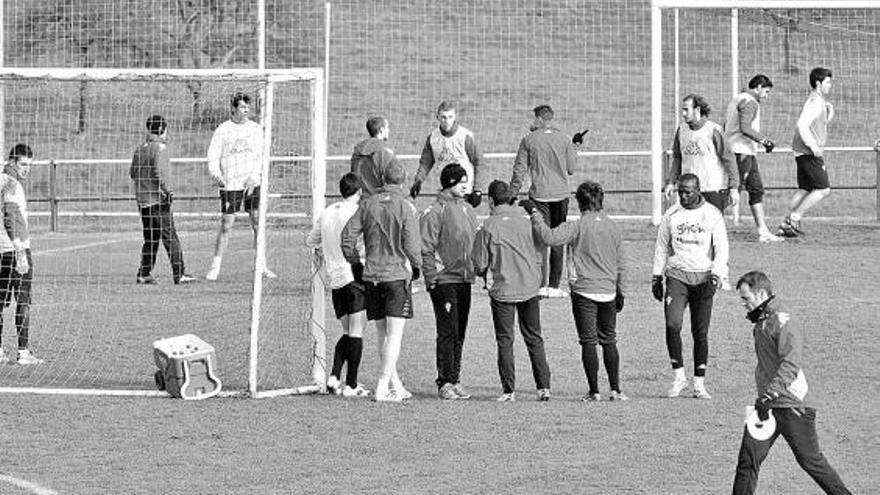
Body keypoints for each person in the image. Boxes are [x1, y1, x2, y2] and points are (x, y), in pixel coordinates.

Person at [732, 271, 852, 495]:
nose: (743, 304)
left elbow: (791, 363)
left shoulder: (783, 320)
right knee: (748, 461)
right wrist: (766, 397)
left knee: (811, 461)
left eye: (745, 298)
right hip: (767, 404)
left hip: (791, 404)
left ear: (760, 294)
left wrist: (771, 394)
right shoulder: (764, 319)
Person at [526, 181, 628, 402]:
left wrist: (534, 213)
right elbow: (621, 264)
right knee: (609, 339)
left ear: (579, 203)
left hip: (584, 291)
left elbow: (549, 237)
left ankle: (594, 391)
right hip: (608, 291)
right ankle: (616, 389)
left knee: (588, 341)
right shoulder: (613, 227)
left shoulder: (577, 226)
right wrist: (621, 291)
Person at [341, 163, 421, 402]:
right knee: (395, 335)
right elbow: (411, 244)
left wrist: (355, 262)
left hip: (372, 275)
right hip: (395, 276)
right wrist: (416, 267)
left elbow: (347, 238)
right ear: (403, 180)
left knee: (382, 333)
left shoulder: (367, 204)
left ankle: (394, 383)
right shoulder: (404, 206)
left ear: (381, 179)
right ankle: (382, 386)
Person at [471, 180, 551, 402]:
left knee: (505, 340)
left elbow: (478, 263)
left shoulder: (488, 226)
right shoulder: (526, 221)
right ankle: (543, 387)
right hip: (529, 287)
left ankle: (509, 391)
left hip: (503, 290)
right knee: (534, 337)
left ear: (490, 200)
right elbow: (541, 248)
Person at [652, 173, 729, 399]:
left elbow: (722, 247)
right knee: (672, 324)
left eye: (687, 191)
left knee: (700, 331)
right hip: (677, 276)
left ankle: (699, 382)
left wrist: (716, 275)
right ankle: (679, 377)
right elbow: (661, 245)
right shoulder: (672, 215)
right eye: (680, 192)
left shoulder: (712, 214)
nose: (683, 196)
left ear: (698, 190)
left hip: (704, 278)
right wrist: (656, 276)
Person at [306, 172, 370, 398]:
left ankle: (334, 377)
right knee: (356, 332)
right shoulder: (357, 212)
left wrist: (325, 251)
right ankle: (351, 385)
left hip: (334, 280)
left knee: (348, 331)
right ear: (360, 191)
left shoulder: (327, 212)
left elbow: (311, 241)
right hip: (353, 276)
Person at [420, 164, 479, 400]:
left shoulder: (467, 209)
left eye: (467, 181)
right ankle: (444, 382)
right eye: (461, 181)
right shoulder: (435, 211)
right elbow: (425, 247)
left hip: (464, 279)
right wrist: (431, 278)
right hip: (443, 280)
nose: (466, 185)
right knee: (448, 331)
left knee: (460, 332)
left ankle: (455, 379)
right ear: (450, 183)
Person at [205, 91, 275, 281]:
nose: (246, 110)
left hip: (253, 183)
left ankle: (262, 266)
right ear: (234, 108)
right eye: (243, 107)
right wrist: (216, 174)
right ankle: (215, 267)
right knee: (227, 225)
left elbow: (261, 156)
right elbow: (213, 155)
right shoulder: (223, 129)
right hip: (231, 184)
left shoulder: (255, 129)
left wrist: (254, 177)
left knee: (257, 223)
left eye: (247, 107)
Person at [510, 105, 577, 299]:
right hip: (561, 195)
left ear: (539, 119)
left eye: (533, 119)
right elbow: (572, 169)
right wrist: (575, 147)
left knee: (540, 240)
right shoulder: (564, 139)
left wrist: (513, 193)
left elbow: (519, 170)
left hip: (540, 196)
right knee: (558, 239)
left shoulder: (528, 140)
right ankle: (554, 286)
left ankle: (539, 285)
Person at [130, 115, 195, 285]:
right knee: (170, 236)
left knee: (151, 238)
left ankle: (144, 273)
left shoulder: (139, 150)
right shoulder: (161, 149)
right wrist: (168, 191)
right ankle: (179, 273)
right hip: (158, 201)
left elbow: (132, 173)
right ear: (163, 131)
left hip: (143, 202)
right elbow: (160, 173)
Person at [724, 74, 783, 243]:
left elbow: (727, 124)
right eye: (766, 91)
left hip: (747, 152)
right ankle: (705, 224)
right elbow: (744, 127)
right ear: (757, 87)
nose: (766, 96)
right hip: (740, 151)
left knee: (756, 189)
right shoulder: (750, 102)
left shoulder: (737, 99)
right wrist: (765, 141)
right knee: (733, 191)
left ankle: (763, 231)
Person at [778, 67, 835, 238]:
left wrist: (829, 113)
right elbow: (802, 125)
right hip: (808, 152)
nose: (830, 85)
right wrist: (813, 147)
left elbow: (814, 124)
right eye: (827, 82)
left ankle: (785, 223)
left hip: (801, 151)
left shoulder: (817, 101)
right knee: (823, 189)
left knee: (805, 189)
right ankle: (794, 218)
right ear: (818, 83)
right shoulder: (816, 101)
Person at [0, 144, 42, 365]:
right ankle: (23, 352)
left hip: (0, 251)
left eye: (29, 166)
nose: (27, 169)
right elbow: (9, 215)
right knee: (23, 301)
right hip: (16, 250)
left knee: (0, 302)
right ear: (13, 162)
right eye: (23, 165)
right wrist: (19, 248)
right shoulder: (12, 184)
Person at [666, 94, 739, 213]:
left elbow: (729, 159)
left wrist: (733, 188)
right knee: (689, 228)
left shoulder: (714, 130)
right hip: (688, 190)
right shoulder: (681, 130)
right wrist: (671, 182)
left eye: (686, 110)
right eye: (682, 110)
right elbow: (677, 158)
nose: (683, 114)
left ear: (697, 110)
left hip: (712, 189)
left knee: (711, 229)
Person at [410, 101, 485, 208]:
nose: (447, 121)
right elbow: (425, 164)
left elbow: (480, 163)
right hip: (444, 192)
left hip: (463, 192)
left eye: (450, 117)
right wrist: (418, 181)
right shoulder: (433, 138)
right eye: (444, 117)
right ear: (438, 117)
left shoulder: (465, 137)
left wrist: (478, 189)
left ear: (455, 117)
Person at [350, 116, 400, 198]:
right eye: (387, 127)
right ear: (381, 130)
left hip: (360, 199)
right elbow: (392, 180)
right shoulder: (385, 152)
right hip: (378, 202)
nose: (389, 130)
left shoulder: (358, 150)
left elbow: (353, 173)